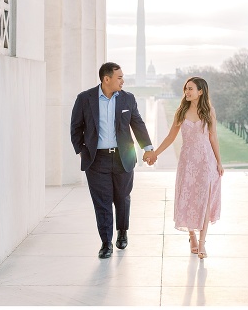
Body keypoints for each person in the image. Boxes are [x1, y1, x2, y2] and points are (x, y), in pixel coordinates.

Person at [71, 62, 156, 259]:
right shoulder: (85, 99)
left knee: (122, 198)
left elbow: (137, 124)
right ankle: (105, 243)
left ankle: (122, 232)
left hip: (122, 157)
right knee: (102, 202)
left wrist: (148, 148)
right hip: (96, 160)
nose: (123, 81)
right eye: (119, 77)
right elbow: (75, 128)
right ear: (106, 79)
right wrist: (82, 151)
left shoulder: (128, 98)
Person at [146, 76, 223, 259]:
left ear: (200, 91)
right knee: (188, 199)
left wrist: (219, 162)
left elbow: (213, 137)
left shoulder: (209, 111)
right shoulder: (181, 112)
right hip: (187, 162)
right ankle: (192, 236)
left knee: (204, 201)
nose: (187, 92)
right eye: (186, 89)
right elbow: (170, 137)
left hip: (206, 162)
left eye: (191, 88)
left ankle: (203, 243)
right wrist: (155, 153)